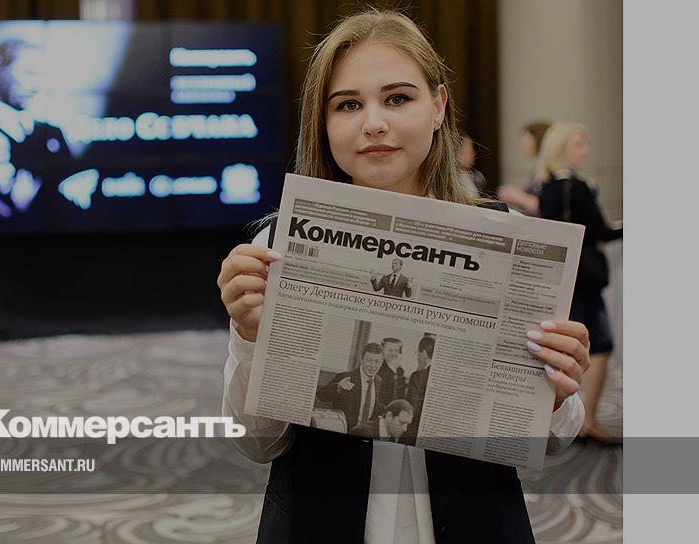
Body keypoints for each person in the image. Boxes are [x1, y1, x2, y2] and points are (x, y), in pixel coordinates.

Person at [218, 8, 591, 543]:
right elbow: (256, 443)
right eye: (348, 104)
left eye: (397, 98)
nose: (373, 123)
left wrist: (555, 392)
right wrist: (250, 337)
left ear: (438, 106)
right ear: (322, 123)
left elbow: (552, 442)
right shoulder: (276, 246)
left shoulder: (510, 241)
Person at [535, 122, 622, 444]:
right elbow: (601, 231)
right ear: (560, 148)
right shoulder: (577, 187)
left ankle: (576, 416)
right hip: (585, 278)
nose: (586, 151)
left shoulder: (547, 186)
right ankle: (589, 419)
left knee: (569, 344)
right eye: (579, 144)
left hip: (563, 274)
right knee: (599, 347)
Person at [0, 38, 72, 217]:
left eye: (41, 75)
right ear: (0, 70)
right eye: (29, 73)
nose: (36, 86)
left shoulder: (53, 135)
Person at [316, 343, 385, 432]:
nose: (373, 365)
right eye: (369, 360)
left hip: (366, 432)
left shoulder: (379, 381)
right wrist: (338, 387)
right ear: (361, 360)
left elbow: (376, 406)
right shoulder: (345, 377)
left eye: (377, 362)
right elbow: (321, 396)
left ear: (382, 363)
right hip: (344, 430)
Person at [497, 121, 551, 216]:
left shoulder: (549, 168)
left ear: (539, 140)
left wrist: (518, 196)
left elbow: (545, 205)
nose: (523, 146)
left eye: (526, 141)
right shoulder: (538, 167)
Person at [401, 335, 434, 445]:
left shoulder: (418, 376)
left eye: (417, 353)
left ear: (423, 353)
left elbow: (412, 410)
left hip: (413, 434)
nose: (417, 357)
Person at [376, 337, 407, 411]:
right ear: (382, 351)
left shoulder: (400, 370)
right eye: (390, 350)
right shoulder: (377, 368)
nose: (394, 354)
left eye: (396, 351)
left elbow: (400, 395)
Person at [455, 134, 485, 198]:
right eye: (468, 150)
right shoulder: (452, 180)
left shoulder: (475, 177)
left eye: (472, 150)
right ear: (456, 153)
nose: (473, 153)